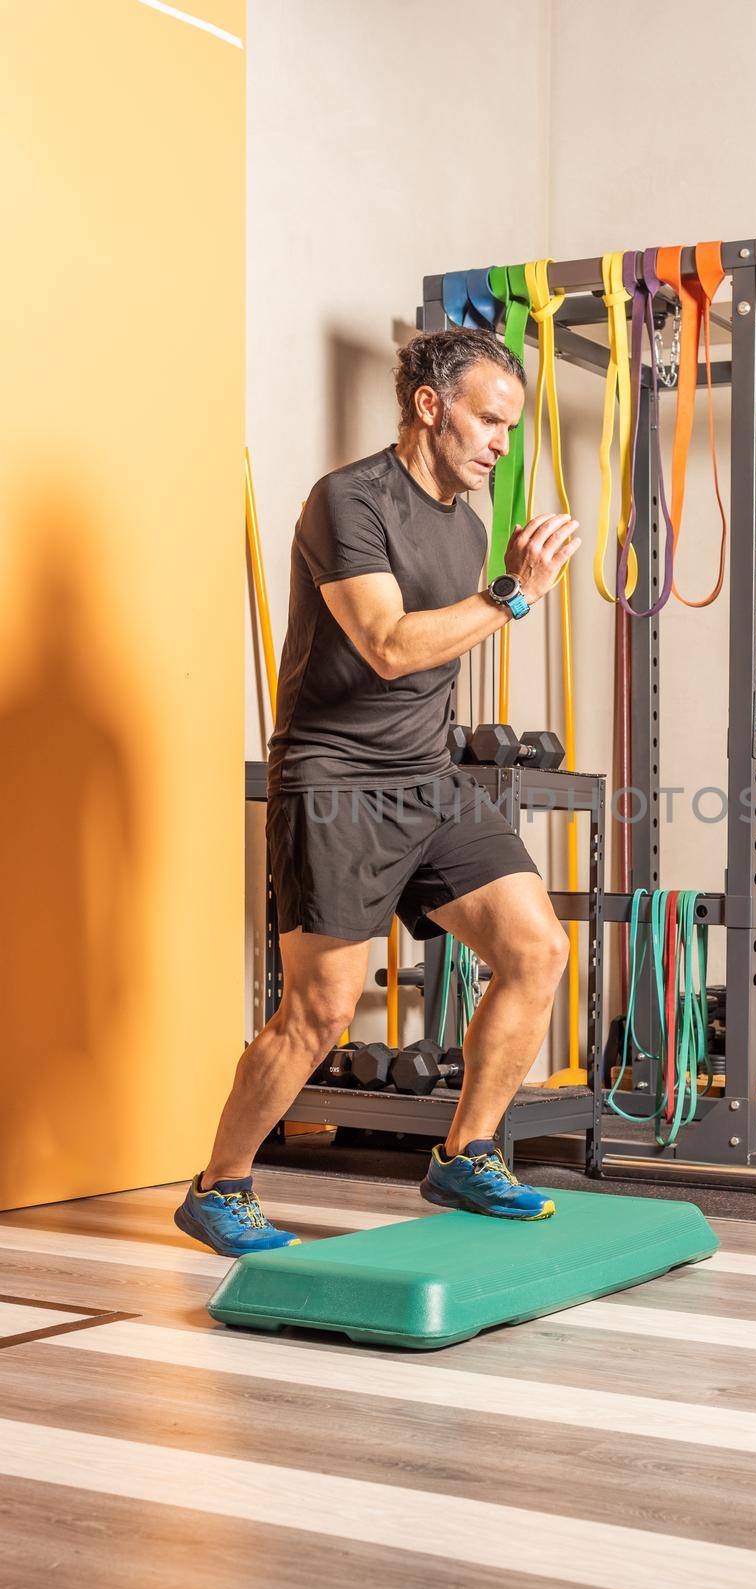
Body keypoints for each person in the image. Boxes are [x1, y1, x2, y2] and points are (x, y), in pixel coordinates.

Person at [174, 328, 581, 1256]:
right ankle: (220, 1185)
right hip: (334, 780)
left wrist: (499, 590)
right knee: (320, 1010)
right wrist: (513, 597)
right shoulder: (345, 500)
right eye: (488, 419)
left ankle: (466, 1154)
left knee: (536, 948)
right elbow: (389, 646)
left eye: (509, 428)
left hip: (425, 780)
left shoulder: (470, 526)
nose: (500, 444)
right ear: (432, 406)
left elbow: (437, 656)